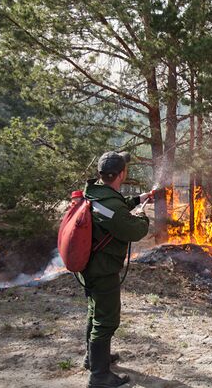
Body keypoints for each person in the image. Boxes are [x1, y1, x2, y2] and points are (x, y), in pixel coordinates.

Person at [79, 151, 154, 388]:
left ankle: (93, 359)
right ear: (121, 174)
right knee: (106, 320)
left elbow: (114, 210)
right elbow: (133, 230)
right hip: (102, 269)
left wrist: (138, 199)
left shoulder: (94, 192)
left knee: (95, 311)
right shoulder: (109, 205)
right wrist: (142, 215)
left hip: (89, 267)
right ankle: (99, 376)